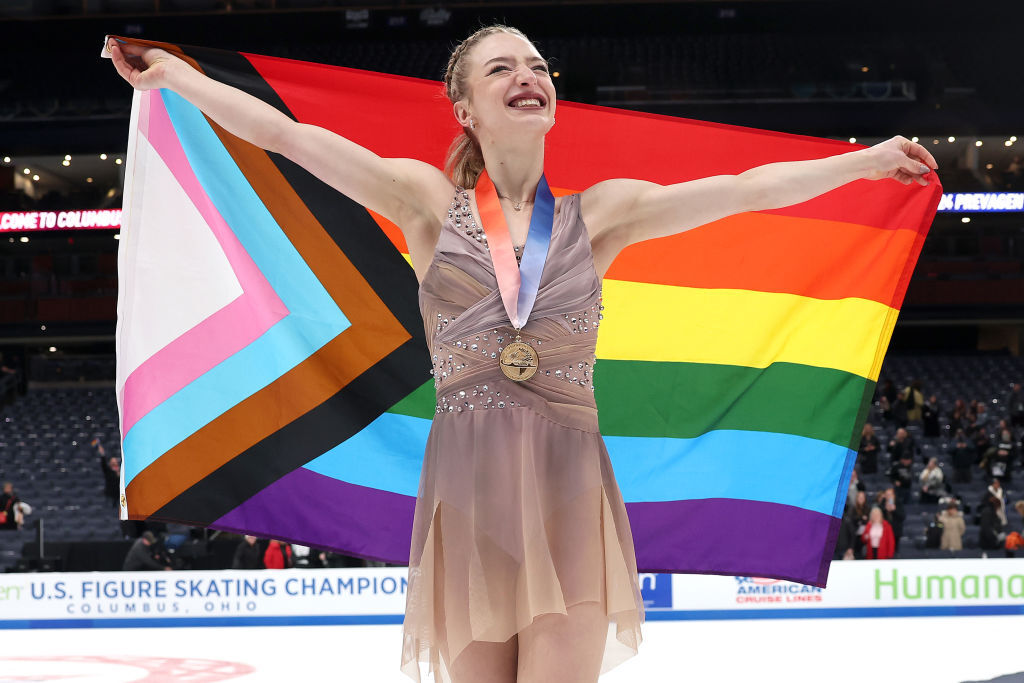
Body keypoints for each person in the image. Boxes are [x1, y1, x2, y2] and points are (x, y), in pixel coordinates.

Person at [107, 25, 936, 683]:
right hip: (466, 489)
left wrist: (863, 162)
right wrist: (174, 77)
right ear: (465, 107)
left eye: (535, 63)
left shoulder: (602, 214)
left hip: (568, 487)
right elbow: (288, 139)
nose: (526, 74)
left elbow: (742, 192)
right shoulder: (424, 202)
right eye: (501, 67)